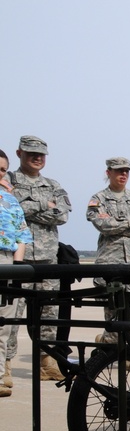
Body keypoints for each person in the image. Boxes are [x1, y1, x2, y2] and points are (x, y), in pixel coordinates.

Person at [4, 135, 72, 383]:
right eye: (31, 153)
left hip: (46, 259)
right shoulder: (7, 179)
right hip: (15, 259)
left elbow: (62, 214)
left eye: (41, 154)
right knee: (11, 316)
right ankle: (5, 366)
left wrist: (27, 204)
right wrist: (45, 205)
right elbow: (10, 207)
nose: (37, 158)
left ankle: (47, 361)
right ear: (19, 153)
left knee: (49, 314)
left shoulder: (53, 184)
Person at [86, 158, 130, 344]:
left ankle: (108, 341)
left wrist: (116, 223)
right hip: (111, 262)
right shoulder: (98, 199)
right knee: (113, 308)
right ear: (108, 173)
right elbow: (102, 225)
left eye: (126, 171)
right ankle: (120, 353)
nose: (123, 174)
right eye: (119, 171)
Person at [0, 149, 34, 397]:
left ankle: (0, 376)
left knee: (3, 325)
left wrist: (18, 268)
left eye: (2, 170)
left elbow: (22, 235)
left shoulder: (10, 201)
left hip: (7, 261)